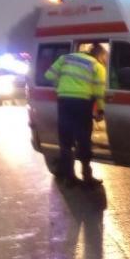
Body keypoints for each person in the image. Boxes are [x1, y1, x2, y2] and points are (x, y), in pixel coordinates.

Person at [44, 44, 107, 187]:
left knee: (66, 142)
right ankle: (87, 178)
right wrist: (101, 110)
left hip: (64, 102)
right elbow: (99, 92)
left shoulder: (65, 58)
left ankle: (69, 178)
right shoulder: (97, 66)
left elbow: (48, 75)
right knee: (83, 140)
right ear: (99, 55)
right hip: (82, 104)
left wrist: (60, 87)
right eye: (105, 57)